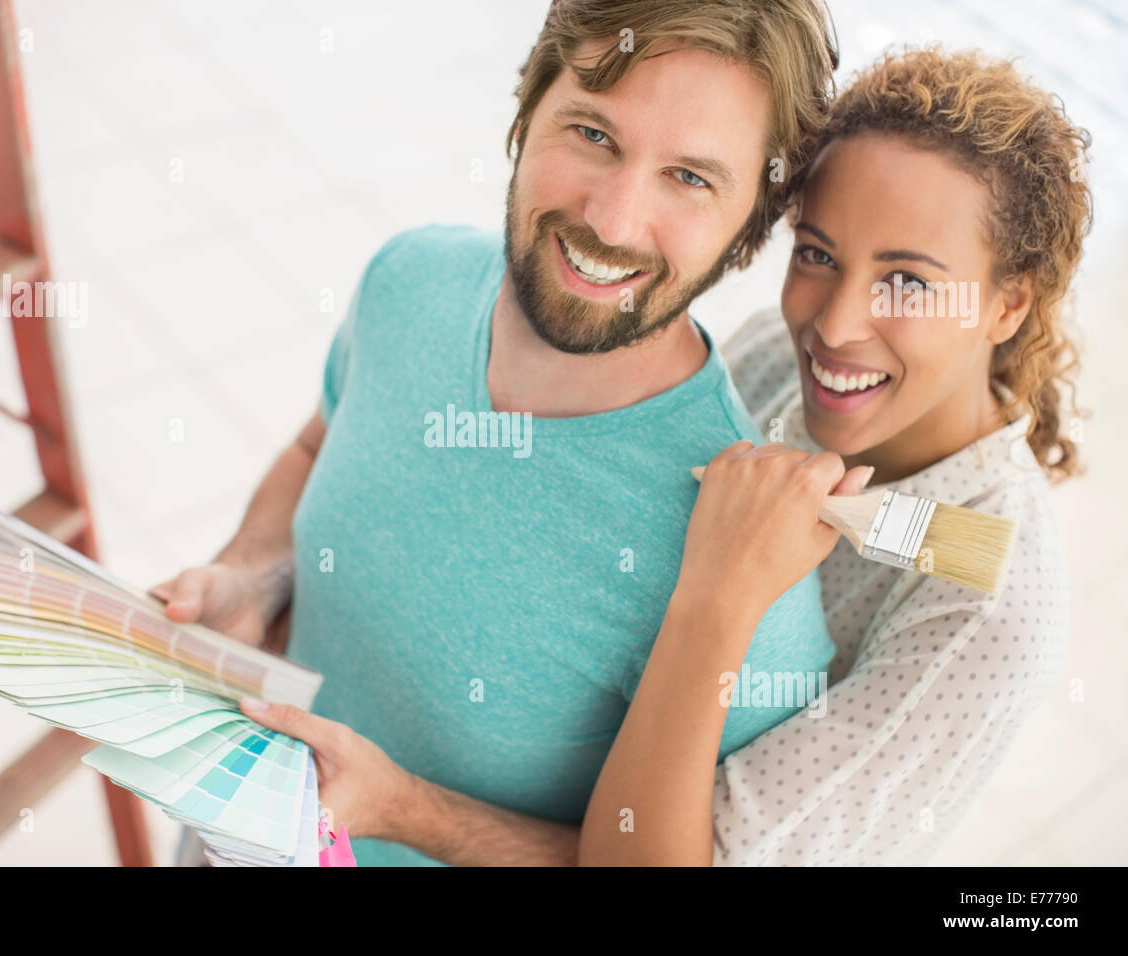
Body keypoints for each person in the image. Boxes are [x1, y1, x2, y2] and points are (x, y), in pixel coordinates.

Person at [152, 0, 844, 866]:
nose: (614, 220)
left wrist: (406, 810)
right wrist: (256, 576)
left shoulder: (744, 563)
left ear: (750, 226)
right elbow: (314, 446)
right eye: (593, 134)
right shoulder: (410, 279)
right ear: (528, 107)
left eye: (691, 179)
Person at [579, 46, 1090, 865]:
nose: (836, 325)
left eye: (909, 284)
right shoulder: (780, 360)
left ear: (1010, 302)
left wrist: (721, 597)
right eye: (817, 254)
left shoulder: (987, 615)